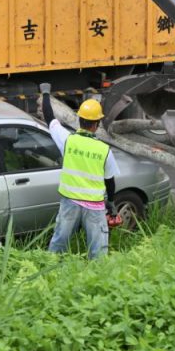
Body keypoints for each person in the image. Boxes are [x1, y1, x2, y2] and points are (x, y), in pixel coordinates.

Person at [39, 83, 120, 260]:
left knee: (58, 244)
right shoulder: (104, 150)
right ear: (97, 124)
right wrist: (111, 202)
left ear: (79, 119)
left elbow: (49, 118)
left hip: (70, 203)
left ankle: (50, 273)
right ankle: (96, 280)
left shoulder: (67, 140)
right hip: (95, 207)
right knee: (98, 252)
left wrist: (46, 93)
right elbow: (110, 181)